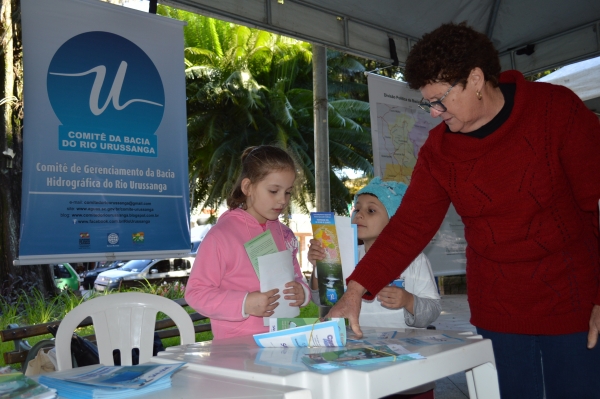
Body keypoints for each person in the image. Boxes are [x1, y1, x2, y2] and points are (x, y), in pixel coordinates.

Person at [328, 22, 600, 399]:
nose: (435, 113)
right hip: (498, 307)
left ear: (475, 79)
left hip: (574, 300)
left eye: (439, 99)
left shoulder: (555, 110)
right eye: (428, 103)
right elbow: (409, 227)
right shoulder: (439, 152)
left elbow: (596, 202)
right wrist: (355, 291)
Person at [309, 177, 440, 399]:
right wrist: (318, 266)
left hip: (408, 372)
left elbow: (433, 310)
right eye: (356, 209)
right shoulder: (346, 257)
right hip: (359, 366)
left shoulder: (415, 261)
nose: (359, 214)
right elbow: (324, 299)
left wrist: (409, 301)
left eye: (371, 211)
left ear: (395, 221)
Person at [185, 145, 310, 340]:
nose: (282, 200)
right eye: (274, 191)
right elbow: (196, 293)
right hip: (236, 350)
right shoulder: (221, 236)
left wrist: (302, 292)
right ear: (247, 187)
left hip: (283, 341)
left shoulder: (285, 235)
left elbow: (297, 278)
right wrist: (245, 303)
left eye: (287, 192)